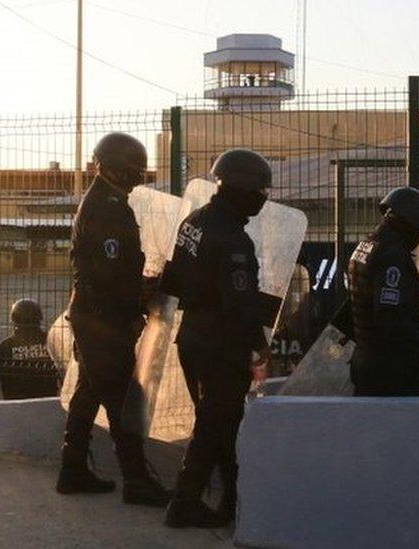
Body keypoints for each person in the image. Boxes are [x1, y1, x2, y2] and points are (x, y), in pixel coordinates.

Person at [57, 132, 170, 507]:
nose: (138, 177)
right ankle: (136, 480)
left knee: (88, 394)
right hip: (103, 320)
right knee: (123, 401)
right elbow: (109, 275)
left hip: (94, 316)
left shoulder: (107, 201)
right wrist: (140, 295)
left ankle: (71, 470)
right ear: (119, 169)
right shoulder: (107, 208)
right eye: (134, 170)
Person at [161, 149, 272, 528]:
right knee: (215, 424)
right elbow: (242, 305)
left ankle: (230, 500)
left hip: (191, 336)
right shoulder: (234, 240)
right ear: (242, 189)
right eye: (260, 189)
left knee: (219, 420)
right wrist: (259, 343)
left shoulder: (195, 220)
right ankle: (185, 502)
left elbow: (172, 278)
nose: (263, 196)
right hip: (220, 345)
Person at [347, 187, 419, 397]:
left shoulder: (366, 246)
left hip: (367, 360)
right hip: (392, 371)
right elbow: (392, 315)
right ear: (412, 223)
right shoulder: (392, 256)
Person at [0, 298, 60, 400]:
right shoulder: (52, 341)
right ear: (39, 318)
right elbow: (63, 372)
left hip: (15, 405)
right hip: (48, 403)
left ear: (14, 320)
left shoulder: (6, 346)